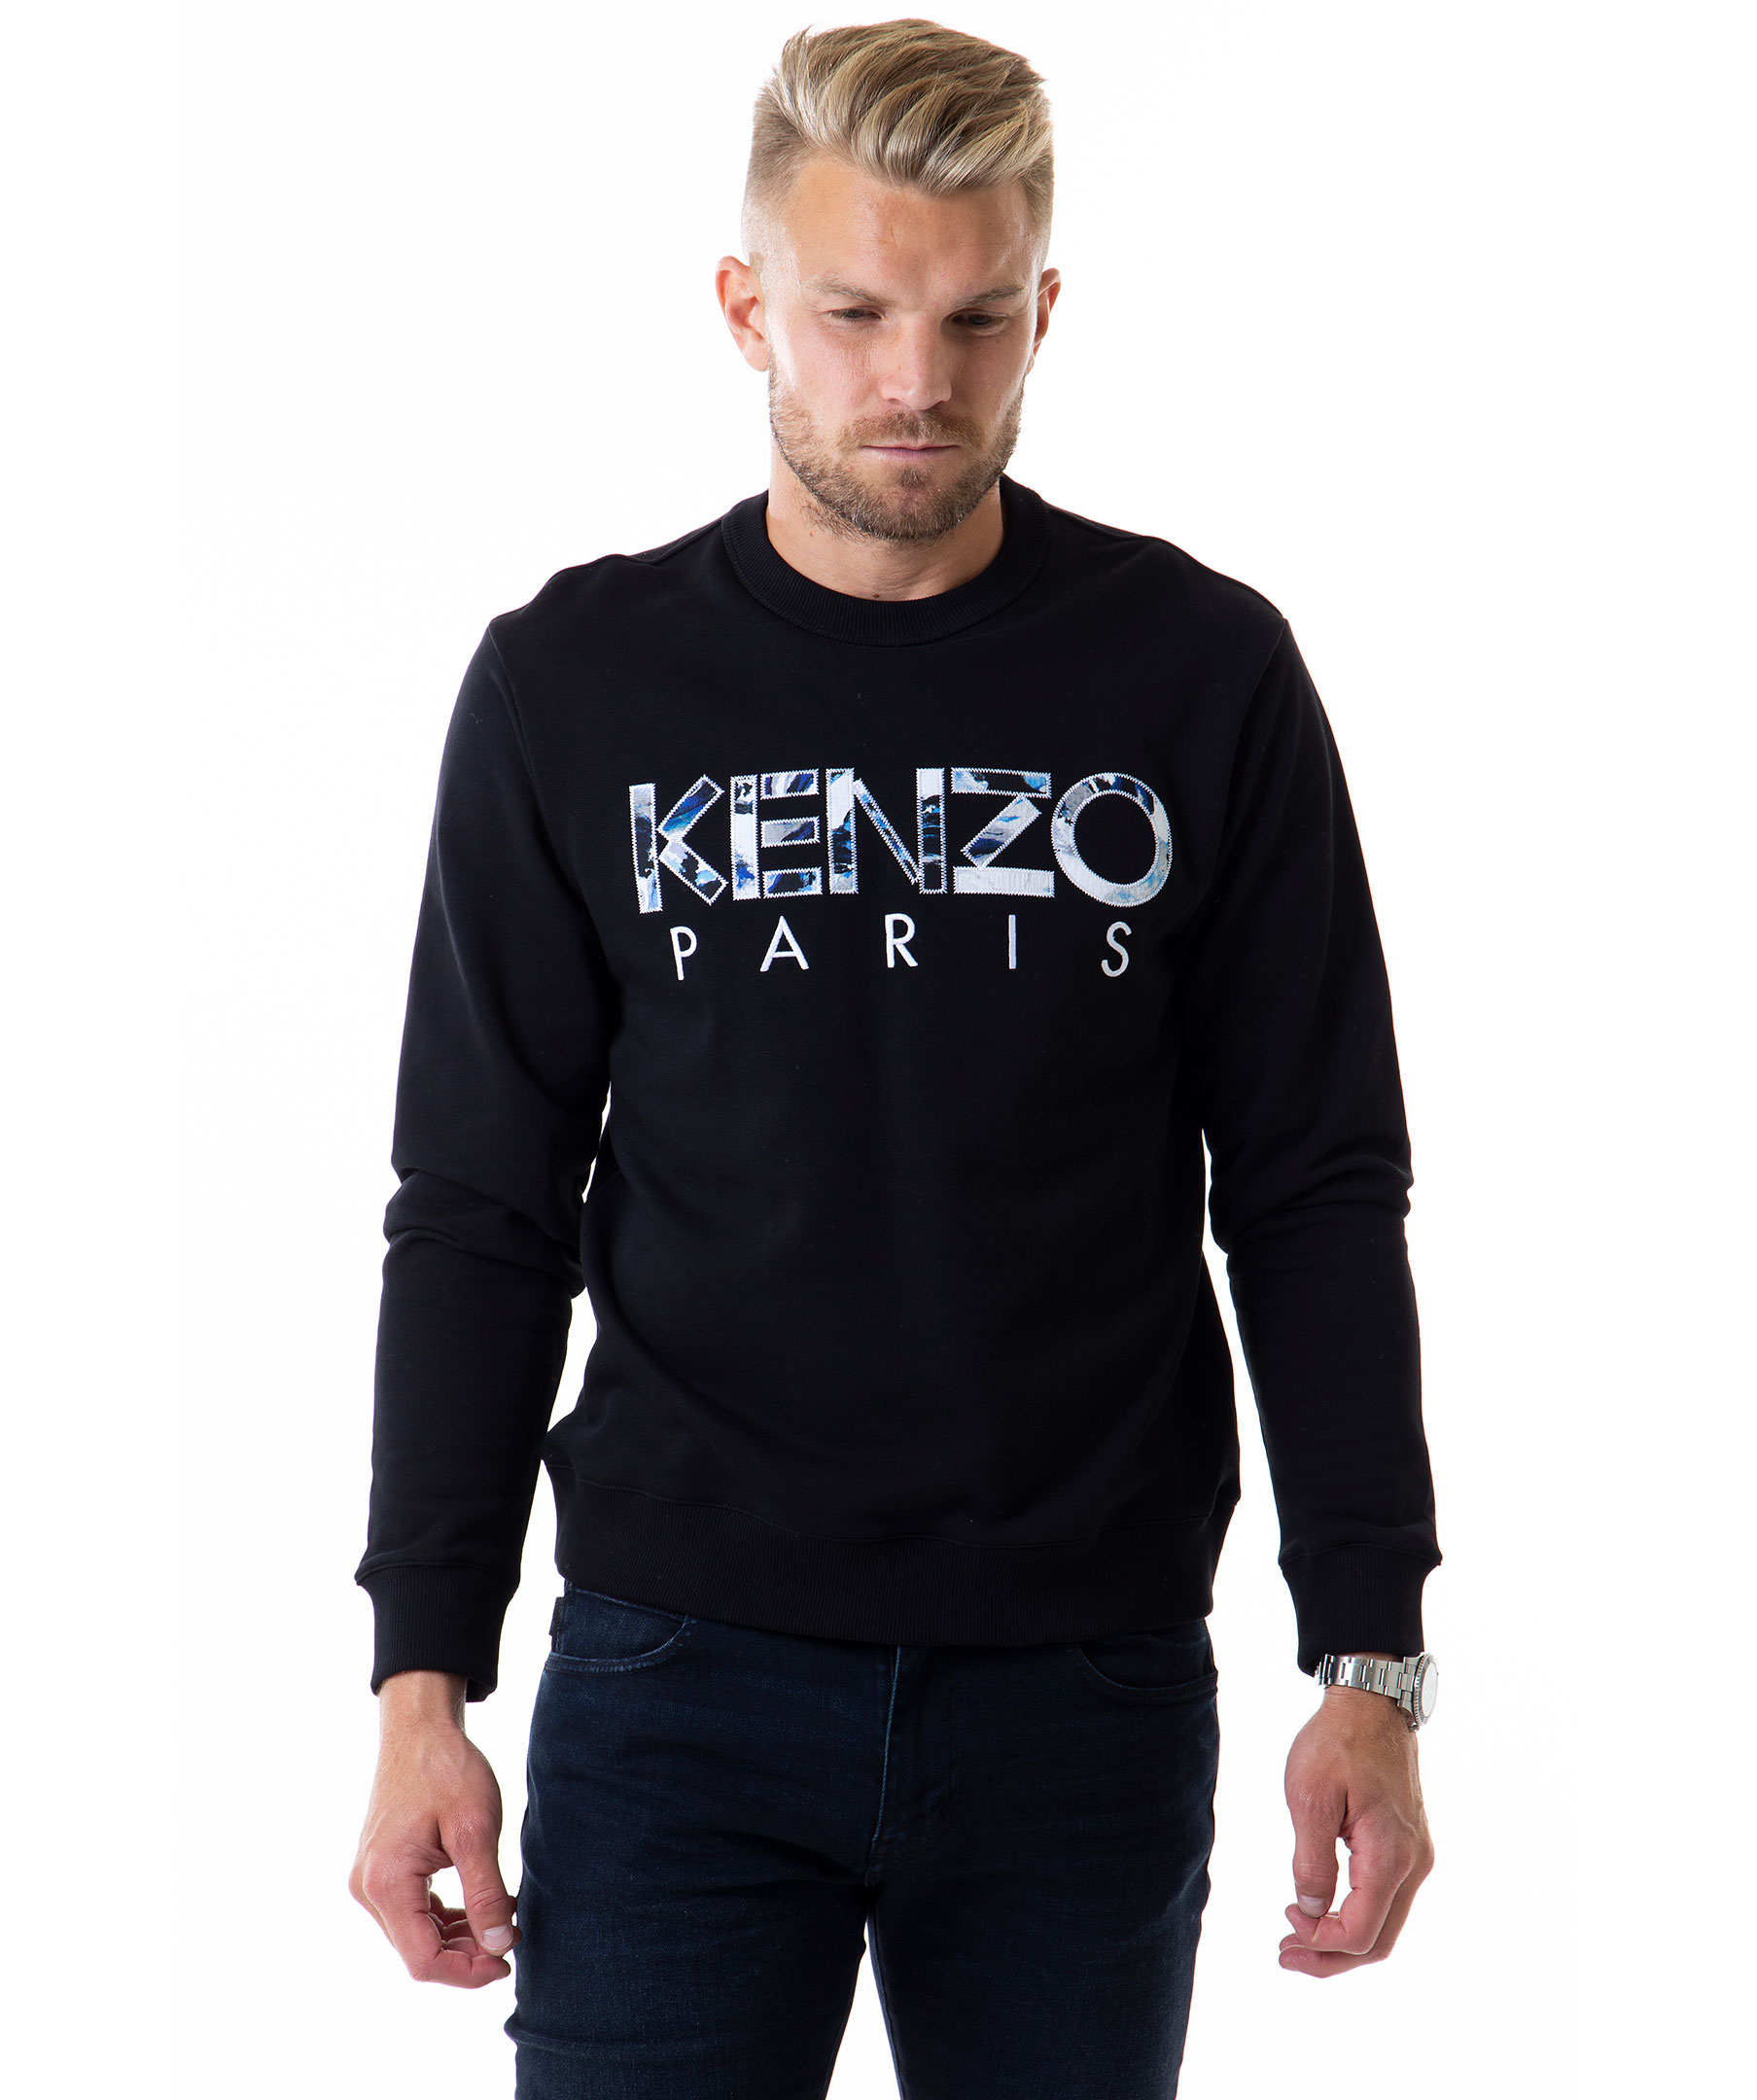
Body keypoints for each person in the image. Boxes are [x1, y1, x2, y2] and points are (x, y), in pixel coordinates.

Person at [347, 18, 1441, 2096]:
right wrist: (424, 1682)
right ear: (746, 304)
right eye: (853, 313)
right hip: (677, 1678)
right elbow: (480, 1208)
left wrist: (1370, 1656)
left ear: (1046, 309)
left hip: (1082, 1689)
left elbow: (1314, 1185)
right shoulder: (576, 685)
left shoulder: (1200, 674)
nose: (916, 381)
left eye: (975, 318)